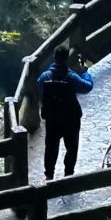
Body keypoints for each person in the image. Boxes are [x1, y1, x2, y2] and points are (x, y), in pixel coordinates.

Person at [37, 45, 93, 182]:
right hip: (71, 118)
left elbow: (38, 85)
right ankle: (68, 174)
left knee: (50, 147)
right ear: (67, 58)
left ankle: (48, 175)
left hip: (52, 118)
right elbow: (87, 87)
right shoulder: (72, 77)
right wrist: (85, 72)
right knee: (72, 147)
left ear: (54, 57)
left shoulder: (45, 76)